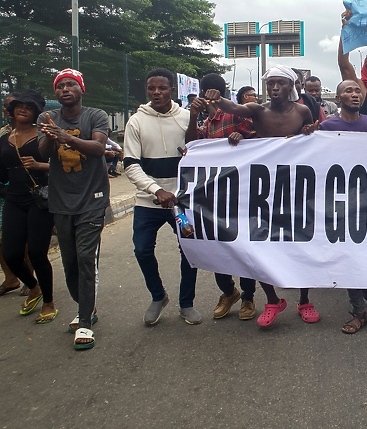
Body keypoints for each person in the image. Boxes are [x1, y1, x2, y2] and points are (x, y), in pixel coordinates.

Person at [204, 65, 320, 327]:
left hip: (294, 186)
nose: (275, 88)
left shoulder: (302, 110)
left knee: (300, 243)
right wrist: (217, 98)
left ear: (291, 86)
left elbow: (314, 137)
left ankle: (304, 300)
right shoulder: (258, 110)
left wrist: (308, 132)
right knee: (261, 244)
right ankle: (272, 300)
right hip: (264, 187)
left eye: (280, 83)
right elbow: (233, 108)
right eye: (271, 84)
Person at [38, 69, 109, 350]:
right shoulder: (50, 118)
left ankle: (85, 323)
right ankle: (86, 307)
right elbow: (43, 154)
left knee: (84, 258)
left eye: (71, 85)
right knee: (68, 263)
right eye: (60, 86)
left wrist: (65, 137)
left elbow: (98, 148)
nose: (65, 89)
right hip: (60, 201)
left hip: (92, 198)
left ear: (81, 89)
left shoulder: (96, 116)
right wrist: (50, 136)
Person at [124, 68, 201, 326]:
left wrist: (178, 192)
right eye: (151, 88)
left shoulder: (185, 117)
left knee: (189, 251)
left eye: (162, 88)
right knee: (142, 250)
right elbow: (131, 164)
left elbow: (197, 151)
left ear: (172, 90)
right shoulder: (136, 121)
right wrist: (156, 190)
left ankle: (186, 303)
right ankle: (158, 296)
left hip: (181, 202)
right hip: (149, 200)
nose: (156, 92)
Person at [304, 79, 367, 333]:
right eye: (348, 90)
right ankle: (358, 311)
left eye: (358, 90)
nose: (354, 94)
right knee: (348, 254)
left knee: (366, 251)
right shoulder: (326, 126)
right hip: (339, 201)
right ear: (338, 99)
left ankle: (366, 283)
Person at [186, 74, 260, 321]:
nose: (207, 99)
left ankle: (248, 296)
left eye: (210, 94)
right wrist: (191, 116)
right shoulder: (207, 122)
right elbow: (192, 147)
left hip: (242, 191)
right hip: (216, 195)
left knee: (244, 245)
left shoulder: (236, 114)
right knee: (216, 244)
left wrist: (243, 137)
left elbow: (261, 138)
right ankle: (229, 291)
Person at [0, 90, 57, 323]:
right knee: (11, 254)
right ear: (11, 111)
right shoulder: (4, 139)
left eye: (29, 107)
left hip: (39, 199)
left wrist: (40, 162)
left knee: (36, 253)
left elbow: (59, 167)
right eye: (19, 106)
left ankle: (48, 301)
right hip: (13, 198)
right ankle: (33, 287)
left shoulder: (43, 136)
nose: (23, 109)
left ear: (36, 112)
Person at [0, 93, 22, 296]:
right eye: (6, 106)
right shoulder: (2, 134)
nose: (7, 109)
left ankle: (32, 280)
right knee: (3, 240)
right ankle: (10, 277)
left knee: (27, 240)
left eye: (11, 105)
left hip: (25, 190)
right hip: (3, 190)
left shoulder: (34, 132)